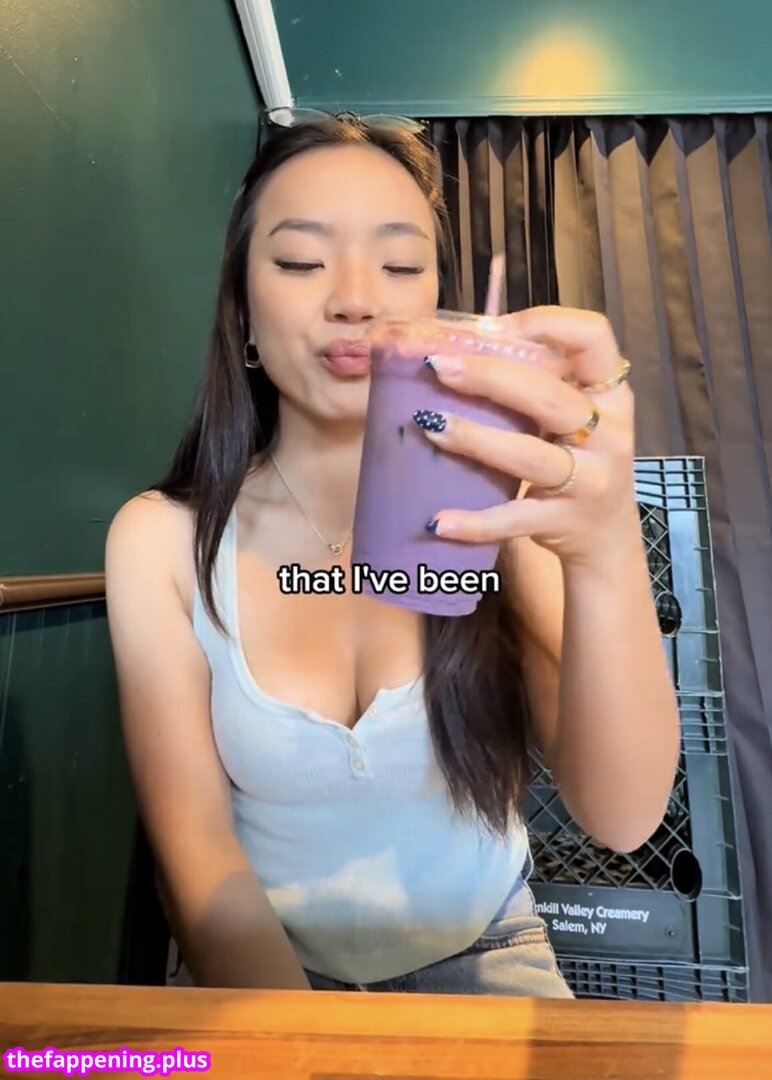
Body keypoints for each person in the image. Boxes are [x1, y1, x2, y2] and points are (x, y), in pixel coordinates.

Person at [104, 112, 680, 997]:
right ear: (244, 312)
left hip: (490, 958)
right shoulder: (163, 539)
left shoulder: (501, 509)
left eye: (401, 265)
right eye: (301, 261)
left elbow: (625, 816)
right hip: (258, 982)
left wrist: (604, 549)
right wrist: (314, 1050)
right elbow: (198, 857)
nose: (355, 298)